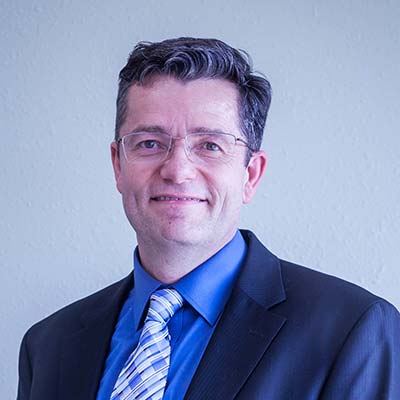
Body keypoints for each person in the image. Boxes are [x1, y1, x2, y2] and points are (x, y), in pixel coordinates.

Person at [17, 37, 400, 400]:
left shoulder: (352, 330)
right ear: (119, 165)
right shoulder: (48, 345)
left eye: (210, 145)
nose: (177, 170)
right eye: (149, 143)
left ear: (251, 174)